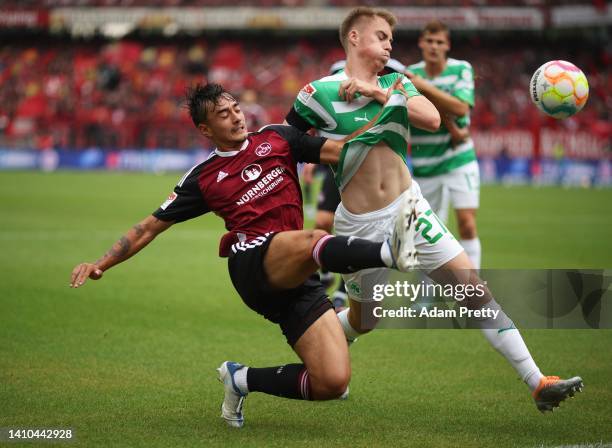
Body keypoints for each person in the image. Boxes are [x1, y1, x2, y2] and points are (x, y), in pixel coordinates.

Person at [285, 6, 582, 412]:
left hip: (410, 211)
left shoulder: (396, 82)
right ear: (354, 38)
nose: (390, 44)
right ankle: (321, 358)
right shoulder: (316, 94)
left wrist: (379, 93)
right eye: (381, 35)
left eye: (391, 37)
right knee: (363, 321)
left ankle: (537, 380)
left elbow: (431, 118)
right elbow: (285, 142)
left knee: (472, 290)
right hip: (357, 225)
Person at [69, 82, 418, 428]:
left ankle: (241, 380)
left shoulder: (278, 139)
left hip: (295, 274)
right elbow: (149, 227)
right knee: (314, 238)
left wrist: (386, 115)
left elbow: (345, 151)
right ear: (206, 129)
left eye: (235, 107)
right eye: (224, 114)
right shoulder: (204, 178)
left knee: (331, 382)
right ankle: (390, 251)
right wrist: (101, 263)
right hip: (252, 263)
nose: (236, 117)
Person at [404, 20, 482, 269]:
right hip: (426, 164)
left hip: (459, 158)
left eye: (439, 42)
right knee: (427, 235)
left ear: (447, 45)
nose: (434, 47)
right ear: (421, 43)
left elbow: (461, 106)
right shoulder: (409, 73)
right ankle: (426, 297)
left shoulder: (461, 69)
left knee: (467, 223)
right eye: (429, 41)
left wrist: (423, 87)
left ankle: (473, 290)